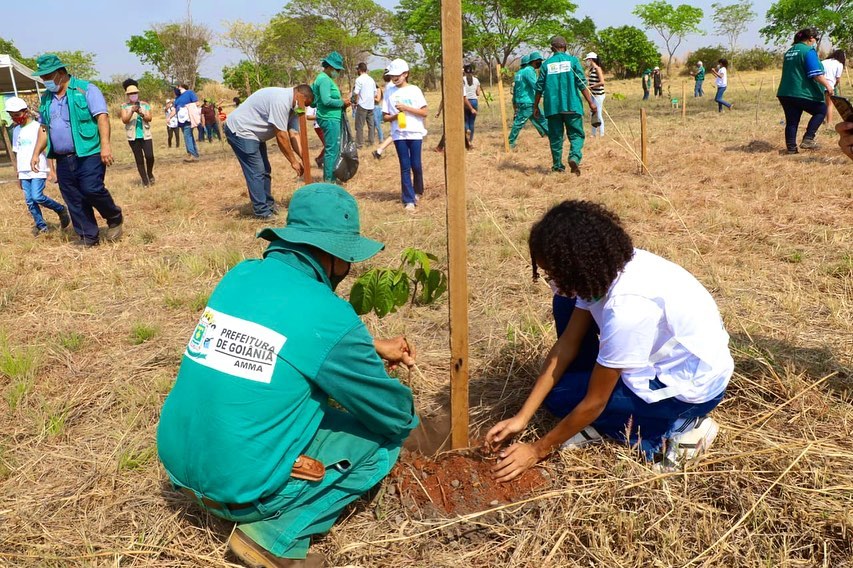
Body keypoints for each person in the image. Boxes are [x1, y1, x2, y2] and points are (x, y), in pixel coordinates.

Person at [157, 183, 418, 568]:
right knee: (383, 443)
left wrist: (369, 346)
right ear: (333, 255)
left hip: (180, 469)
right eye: (348, 257)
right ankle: (273, 538)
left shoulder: (240, 275)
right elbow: (392, 415)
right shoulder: (328, 313)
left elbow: (278, 338)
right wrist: (409, 414)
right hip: (238, 491)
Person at [486, 200, 733, 480]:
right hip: (668, 361)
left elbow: (595, 402)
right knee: (565, 304)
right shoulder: (605, 268)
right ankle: (606, 408)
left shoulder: (627, 308)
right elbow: (566, 345)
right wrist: (521, 418)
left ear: (576, 266)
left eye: (553, 274)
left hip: (686, 390)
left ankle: (683, 428)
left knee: (562, 398)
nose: (550, 281)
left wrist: (536, 450)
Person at [30, 54, 123, 247]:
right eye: (43, 77)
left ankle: (114, 217)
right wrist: (36, 153)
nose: (45, 80)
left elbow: (102, 117)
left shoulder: (86, 89)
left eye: (48, 76)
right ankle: (88, 236)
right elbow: (44, 128)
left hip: (89, 152)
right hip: (63, 157)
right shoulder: (46, 99)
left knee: (91, 188)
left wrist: (106, 146)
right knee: (73, 197)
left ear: (61, 73)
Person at [224, 86, 314, 219]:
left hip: (255, 134)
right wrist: (293, 162)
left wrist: (304, 158)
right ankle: (262, 212)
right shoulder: (281, 101)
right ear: (299, 96)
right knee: (257, 171)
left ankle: (268, 205)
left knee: (265, 170)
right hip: (241, 131)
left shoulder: (295, 107)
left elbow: (294, 134)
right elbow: (281, 136)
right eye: (305, 104)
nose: (304, 108)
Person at [534, 36, 597, 176]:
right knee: (576, 135)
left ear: (552, 49)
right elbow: (582, 83)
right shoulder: (573, 61)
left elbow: (539, 87)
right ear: (565, 47)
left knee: (555, 137)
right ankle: (574, 156)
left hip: (553, 108)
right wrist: (591, 103)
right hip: (572, 106)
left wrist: (535, 106)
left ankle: (557, 166)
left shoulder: (546, 65)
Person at [7, 96, 70, 236]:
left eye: (17, 115)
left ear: (26, 112)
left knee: (37, 196)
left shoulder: (38, 127)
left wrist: (51, 170)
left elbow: (47, 149)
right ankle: (41, 226)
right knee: (30, 201)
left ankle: (60, 209)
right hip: (23, 171)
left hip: (38, 168)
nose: (15, 118)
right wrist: (18, 173)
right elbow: (17, 152)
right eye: (12, 116)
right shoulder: (16, 130)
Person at [777, 28, 836, 154]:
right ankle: (808, 139)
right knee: (821, 110)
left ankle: (791, 149)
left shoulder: (789, 51)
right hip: (800, 92)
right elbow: (815, 73)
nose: (816, 42)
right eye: (816, 39)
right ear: (811, 39)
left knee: (792, 121)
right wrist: (828, 86)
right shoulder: (808, 51)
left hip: (785, 92)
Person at [383, 58, 428, 211]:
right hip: (399, 134)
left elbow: (424, 112)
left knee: (416, 164)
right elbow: (385, 117)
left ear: (406, 74)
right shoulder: (389, 92)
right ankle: (408, 199)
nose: (395, 78)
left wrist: (406, 108)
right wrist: (396, 116)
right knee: (405, 166)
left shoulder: (414, 90)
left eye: (398, 75)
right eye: (392, 75)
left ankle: (418, 190)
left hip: (415, 132)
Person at [312, 52, 350, 183]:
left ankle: (331, 177)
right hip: (329, 118)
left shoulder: (325, 79)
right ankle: (329, 180)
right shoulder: (324, 80)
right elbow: (326, 100)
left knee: (333, 148)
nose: (338, 72)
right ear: (329, 67)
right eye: (337, 69)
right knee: (332, 150)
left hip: (331, 117)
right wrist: (342, 102)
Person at [120, 81, 155, 187]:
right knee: (139, 159)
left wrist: (140, 113)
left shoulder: (145, 105)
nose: (133, 95)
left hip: (146, 134)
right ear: (127, 95)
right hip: (133, 136)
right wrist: (131, 111)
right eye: (131, 93)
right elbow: (124, 120)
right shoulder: (124, 106)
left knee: (150, 156)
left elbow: (149, 118)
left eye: (135, 93)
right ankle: (145, 181)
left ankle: (149, 173)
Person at [509, 53, 548, 148]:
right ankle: (510, 142)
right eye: (539, 61)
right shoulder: (529, 71)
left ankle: (547, 134)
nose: (540, 63)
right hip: (528, 101)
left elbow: (515, 89)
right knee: (521, 122)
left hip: (521, 100)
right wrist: (545, 93)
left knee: (538, 118)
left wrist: (514, 102)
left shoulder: (519, 73)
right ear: (532, 61)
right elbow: (535, 85)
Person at [352, 62, 377, 149]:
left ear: (359, 70)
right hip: (371, 105)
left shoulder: (359, 79)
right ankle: (371, 142)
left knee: (359, 126)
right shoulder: (371, 79)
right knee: (371, 125)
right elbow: (375, 93)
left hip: (362, 105)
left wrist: (355, 102)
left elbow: (356, 93)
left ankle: (359, 144)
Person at [175, 84, 200, 162]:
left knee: (187, 136)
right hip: (181, 121)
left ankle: (192, 154)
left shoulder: (189, 93)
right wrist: (169, 117)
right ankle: (194, 153)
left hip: (188, 119)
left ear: (182, 87)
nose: (176, 89)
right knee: (189, 136)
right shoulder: (177, 98)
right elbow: (175, 109)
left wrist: (186, 106)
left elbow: (197, 103)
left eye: (178, 87)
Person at [821, 50, 846, 124]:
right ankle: (829, 123)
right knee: (829, 104)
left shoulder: (823, 62)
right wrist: (834, 85)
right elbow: (838, 79)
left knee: (821, 104)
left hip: (819, 85)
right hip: (829, 86)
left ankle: (820, 119)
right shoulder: (839, 64)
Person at [585, 52, 606, 137]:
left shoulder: (598, 69)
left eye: (587, 60)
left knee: (598, 114)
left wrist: (591, 86)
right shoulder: (592, 70)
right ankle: (593, 133)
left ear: (591, 60)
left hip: (599, 95)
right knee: (593, 113)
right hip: (593, 94)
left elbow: (602, 82)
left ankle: (602, 133)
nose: (586, 62)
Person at [463, 64, 482, 142]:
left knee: (465, 120)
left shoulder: (462, 79)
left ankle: (467, 130)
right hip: (474, 101)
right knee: (472, 122)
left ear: (464, 72)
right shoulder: (476, 80)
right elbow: (478, 93)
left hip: (465, 101)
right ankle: (470, 140)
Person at [373, 78, 385, 143]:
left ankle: (381, 138)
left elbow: (378, 99)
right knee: (372, 125)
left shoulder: (378, 89)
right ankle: (372, 139)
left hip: (376, 108)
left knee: (377, 124)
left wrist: (371, 97)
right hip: (371, 108)